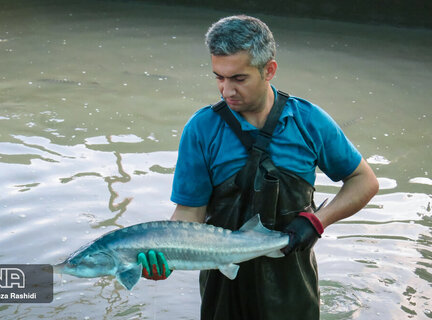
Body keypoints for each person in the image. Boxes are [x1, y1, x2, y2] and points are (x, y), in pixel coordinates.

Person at [139, 15, 379, 319]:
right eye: (219, 77)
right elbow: (190, 214)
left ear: (269, 70)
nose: (226, 91)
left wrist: (318, 221)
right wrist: (166, 257)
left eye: (239, 79)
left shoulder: (309, 121)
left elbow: (364, 180)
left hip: (292, 280)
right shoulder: (201, 129)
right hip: (222, 283)